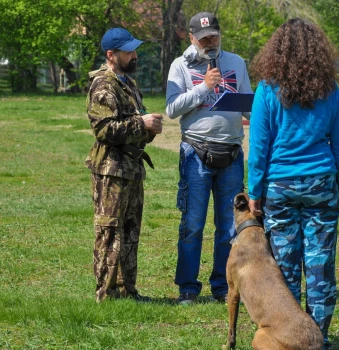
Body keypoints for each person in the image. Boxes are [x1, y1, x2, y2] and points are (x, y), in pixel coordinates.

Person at [247, 18, 339, 350]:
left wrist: (254, 192)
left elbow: (259, 148)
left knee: (285, 268)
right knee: (321, 266)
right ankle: (320, 338)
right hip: (322, 182)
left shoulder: (266, 89)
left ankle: (292, 338)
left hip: (280, 185)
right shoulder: (331, 90)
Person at [166, 12, 252, 305]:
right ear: (191, 38)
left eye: (214, 36)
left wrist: (258, 112)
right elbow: (172, 108)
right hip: (196, 153)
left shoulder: (236, 63)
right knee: (192, 224)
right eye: (203, 39)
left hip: (231, 151)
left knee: (229, 227)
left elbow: (248, 103)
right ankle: (188, 287)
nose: (210, 42)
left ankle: (222, 285)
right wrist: (204, 87)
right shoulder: (180, 66)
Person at [85, 27, 163, 303]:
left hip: (131, 168)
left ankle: (128, 290)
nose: (135, 55)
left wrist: (149, 128)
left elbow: (133, 123)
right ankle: (106, 293)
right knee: (109, 231)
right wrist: (141, 124)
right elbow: (104, 130)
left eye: (134, 50)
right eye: (128, 51)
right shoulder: (103, 85)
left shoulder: (127, 83)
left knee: (130, 231)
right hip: (111, 170)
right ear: (111, 54)